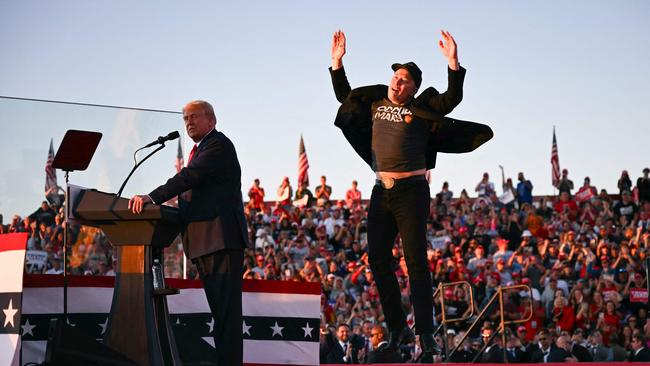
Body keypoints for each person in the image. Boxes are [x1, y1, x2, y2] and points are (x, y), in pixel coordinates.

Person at [329, 29, 492, 362]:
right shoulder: (375, 102)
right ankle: (396, 329)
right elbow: (345, 96)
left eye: (404, 79)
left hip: (412, 191)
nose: (397, 82)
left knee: (416, 263)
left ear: (414, 87)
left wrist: (453, 63)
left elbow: (451, 100)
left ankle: (426, 335)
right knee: (377, 259)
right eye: (395, 76)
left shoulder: (421, 106)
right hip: (381, 190)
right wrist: (336, 62)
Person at [128, 100, 250, 366]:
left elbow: (189, 177)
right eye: (185, 118)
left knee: (226, 317)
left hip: (220, 241)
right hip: (206, 243)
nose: (188, 122)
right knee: (221, 315)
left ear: (212, 120)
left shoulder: (218, 145)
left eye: (194, 116)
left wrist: (153, 197)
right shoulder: (201, 149)